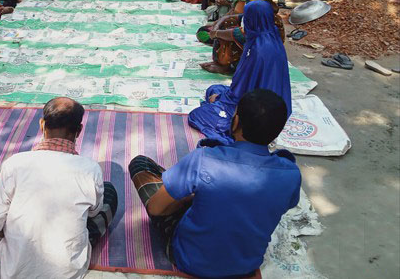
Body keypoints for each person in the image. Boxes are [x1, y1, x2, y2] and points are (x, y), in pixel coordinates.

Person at [129, 89, 301, 278]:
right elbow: (282, 204)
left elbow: (155, 208)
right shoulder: (291, 173)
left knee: (141, 165)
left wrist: (189, 198)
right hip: (245, 266)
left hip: (188, 259)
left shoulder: (204, 159)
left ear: (235, 122)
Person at [0, 97, 118, 279]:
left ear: (42, 125)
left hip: (12, 271)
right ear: (79, 130)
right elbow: (93, 213)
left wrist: (16, 235)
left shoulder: (15, 164)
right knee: (109, 193)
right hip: (68, 271)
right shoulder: (91, 169)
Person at [189, 0, 292, 143]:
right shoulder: (269, 35)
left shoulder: (258, 50)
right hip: (273, 104)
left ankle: (233, 136)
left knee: (197, 115)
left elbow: (244, 90)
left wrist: (220, 100)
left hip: (259, 112)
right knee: (213, 89)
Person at [200, 0, 285, 75]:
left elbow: (238, 34)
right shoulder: (261, 13)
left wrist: (216, 33)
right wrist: (218, 24)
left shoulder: (266, 20)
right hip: (259, 56)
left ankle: (225, 66)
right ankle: (220, 62)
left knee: (227, 34)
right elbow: (234, 17)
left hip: (262, 62)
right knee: (226, 25)